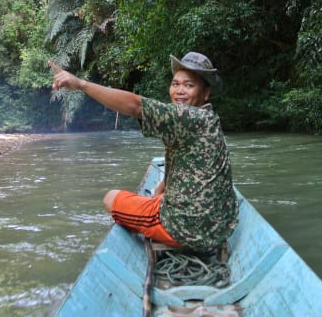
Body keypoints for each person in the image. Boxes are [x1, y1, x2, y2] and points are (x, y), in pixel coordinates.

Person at [48, 52, 238, 251]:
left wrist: (81, 84)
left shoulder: (188, 117)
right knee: (158, 195)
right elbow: (188, 161)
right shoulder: (208, 118)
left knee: (110, 198)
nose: (179, 91)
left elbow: (136, 106)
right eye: (175, 84)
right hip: (219, 227)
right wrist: (163, 187)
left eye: (189, 85)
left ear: (206, 92)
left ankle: (169, 234)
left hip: (187, 229)